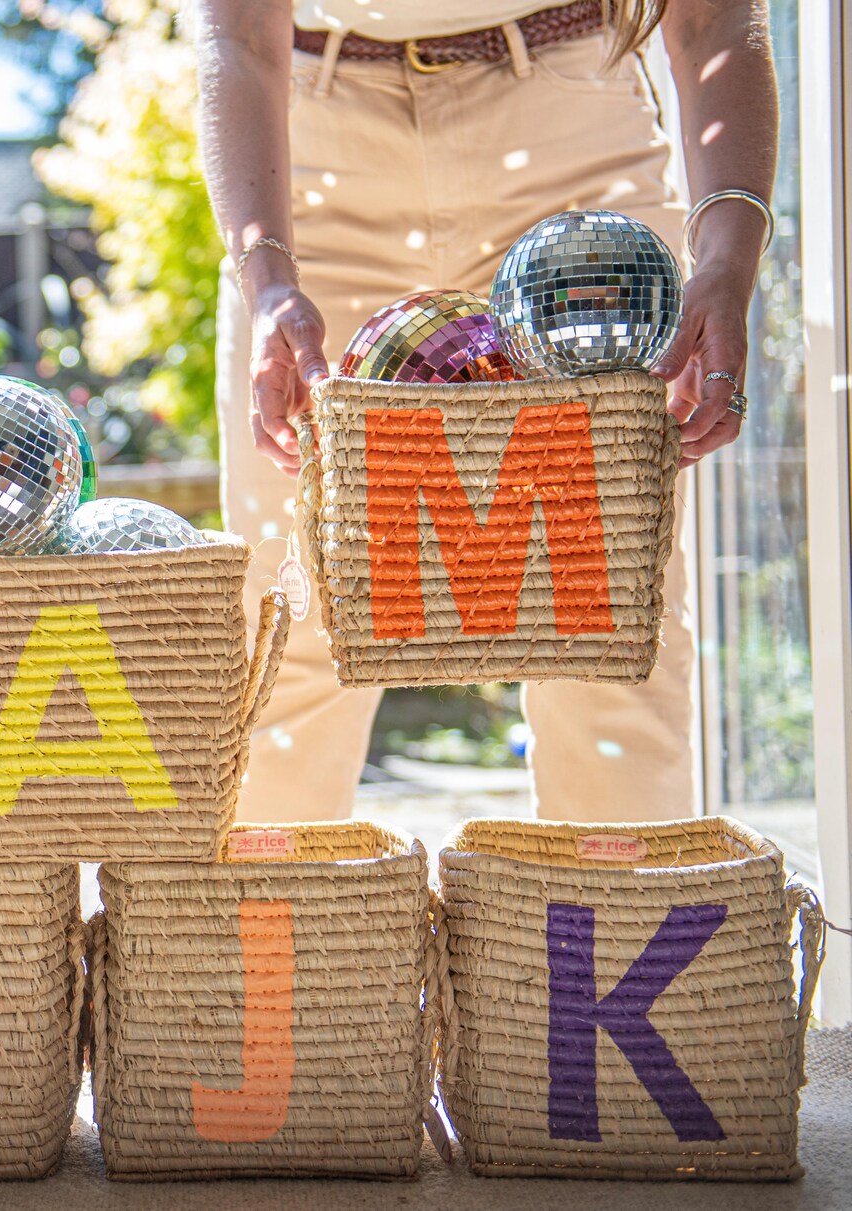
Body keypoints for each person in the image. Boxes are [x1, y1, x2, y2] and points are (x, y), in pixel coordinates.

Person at [189, 0, 777, 824]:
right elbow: (240, 31)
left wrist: (728, 259)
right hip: (314, 149)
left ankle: (608, 943)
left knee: (609, 611)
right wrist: (268, 282)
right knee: (291, 612)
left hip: (572, 121)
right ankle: (272, 945)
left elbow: (714, 19)